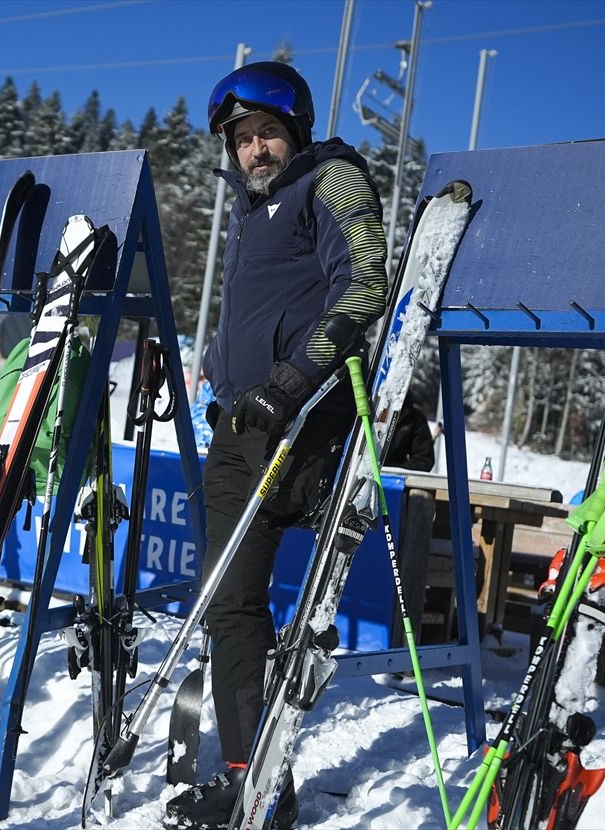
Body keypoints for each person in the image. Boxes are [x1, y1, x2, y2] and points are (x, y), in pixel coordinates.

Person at [164, 62, 387, 830]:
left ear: (294, 129)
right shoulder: (251, 211)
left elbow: (365, 284)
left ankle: (260, 767)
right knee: (228, 605)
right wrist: (222, 370)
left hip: (303, 426)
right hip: (239, 426)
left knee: (262, 606)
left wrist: (289, 382)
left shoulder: (331, 179)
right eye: (242, 139)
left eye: (266, 134)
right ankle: (249, 778)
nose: (254, 150)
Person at [382, 390, 436, 471]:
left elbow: (424, 460)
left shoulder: (414, 418)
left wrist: (392, 470)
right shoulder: (367, 409)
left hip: (392, 479)